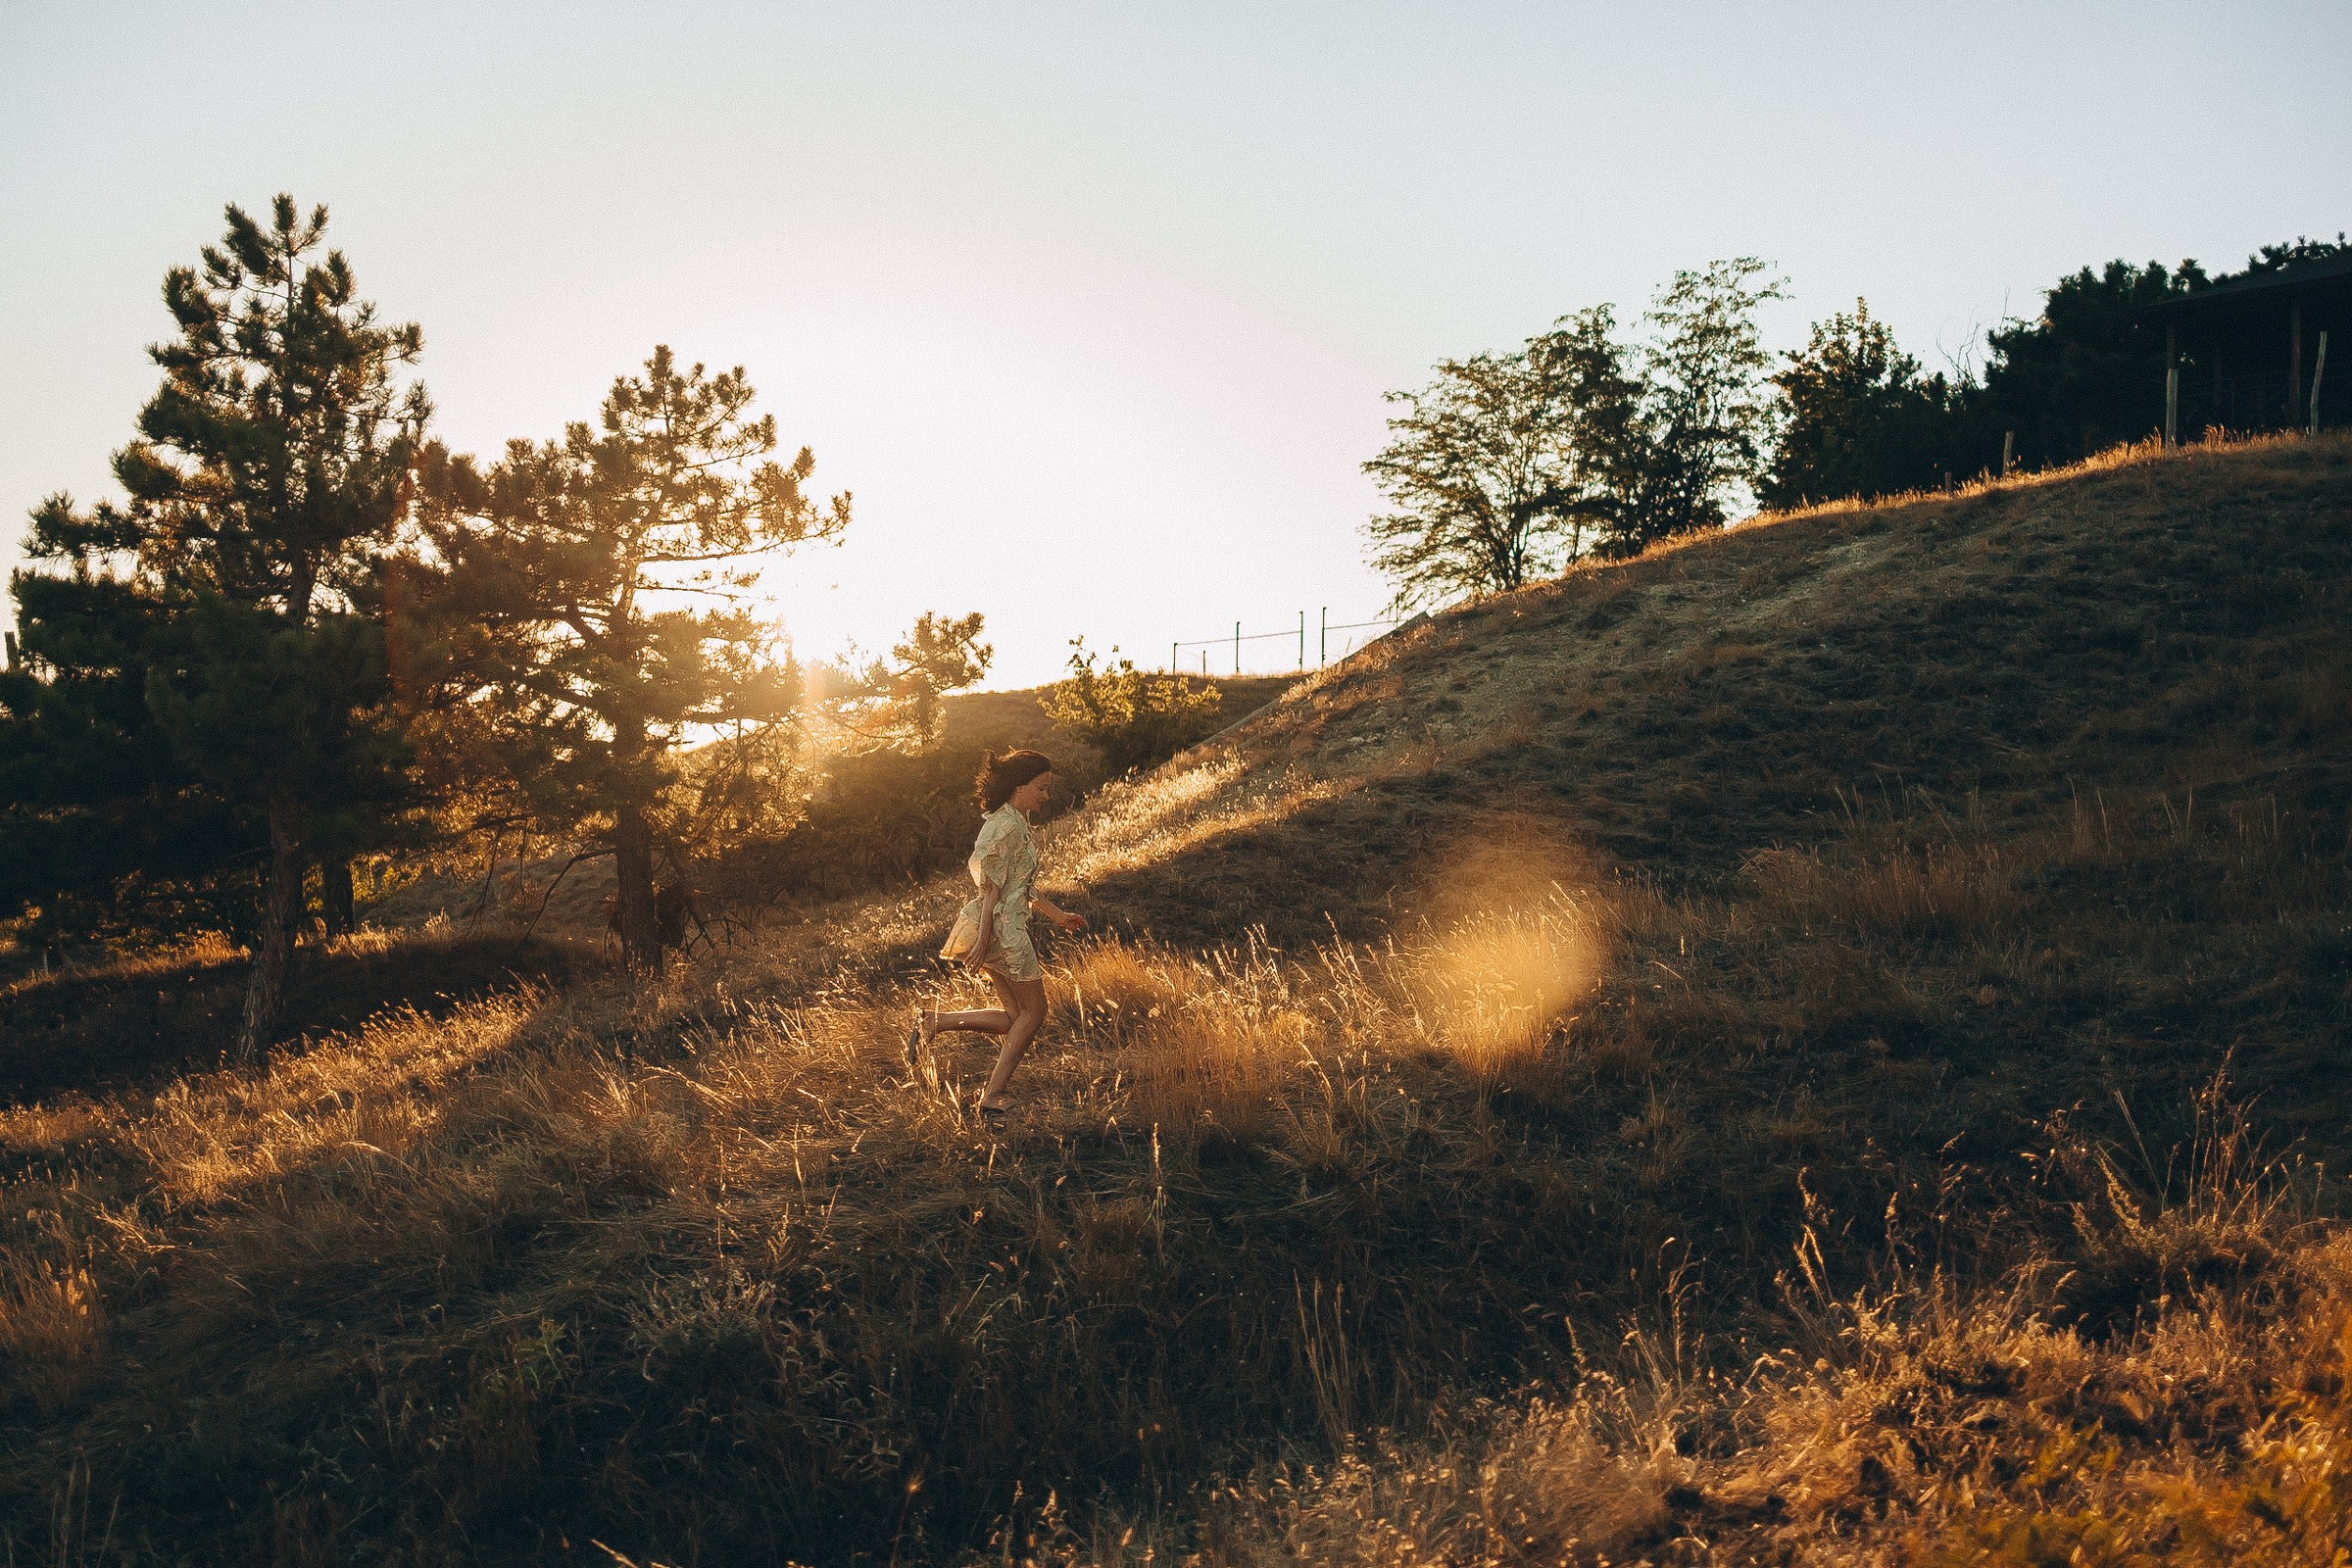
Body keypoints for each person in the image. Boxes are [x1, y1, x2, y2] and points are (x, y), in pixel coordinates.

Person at [909, 749, 1086, 1120]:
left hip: (1000, 927)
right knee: (1035, 1012)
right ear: (1019, 787)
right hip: (1005, 932)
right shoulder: (1006, 825)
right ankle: (992, 1096)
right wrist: (983, 939)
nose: (1046, 796)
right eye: (1041, 788)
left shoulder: (1012, 821)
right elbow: (990, 889)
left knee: (1013, 1017)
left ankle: (934, 1022)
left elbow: (1018, 886)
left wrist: (1058, 916)